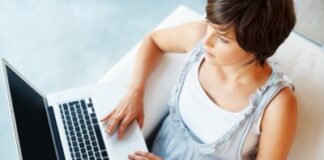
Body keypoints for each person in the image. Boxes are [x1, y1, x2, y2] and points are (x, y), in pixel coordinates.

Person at [101, 0, 298, 159]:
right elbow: (154, 40)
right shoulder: (199, 38)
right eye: (210, 25)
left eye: (223, 39)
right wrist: (135, 91)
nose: (207, 41)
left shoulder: (277, 105)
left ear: (257, 47)